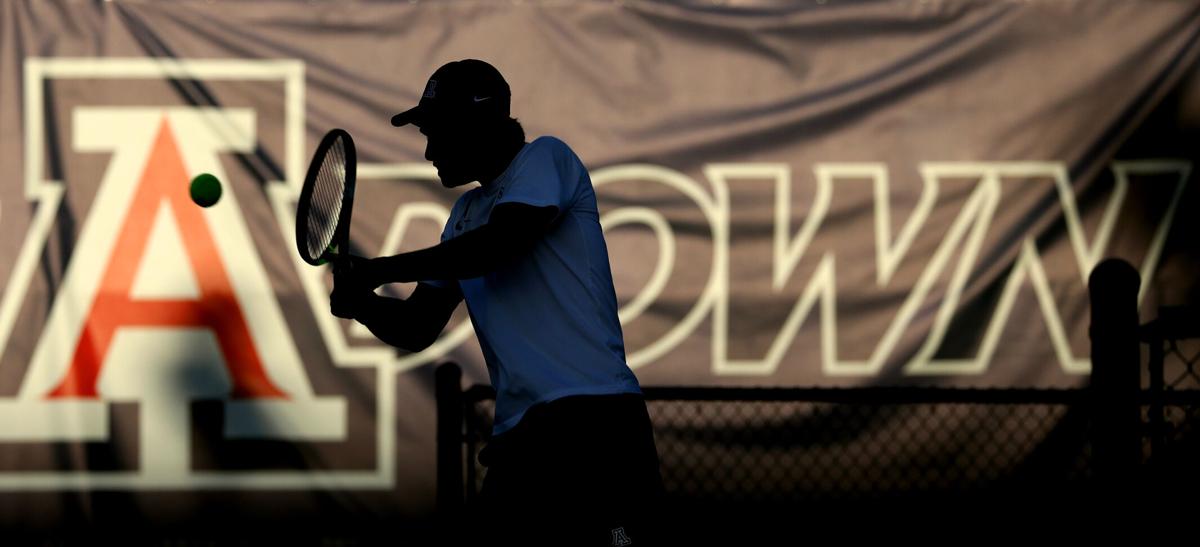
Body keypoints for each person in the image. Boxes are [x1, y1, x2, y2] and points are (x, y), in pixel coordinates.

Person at [329, 59, 666, 545]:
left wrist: (379, 269)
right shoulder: (465, 214)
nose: (428, 151)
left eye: (437, 132)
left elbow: (498, 245)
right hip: (523, 442)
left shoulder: (547, 158)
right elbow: (418, 326)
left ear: (477, 125)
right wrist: (363, 304)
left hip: (595, 427)